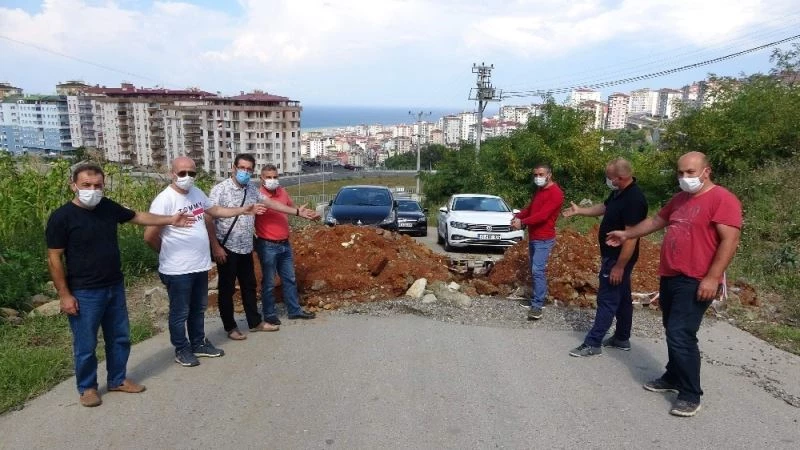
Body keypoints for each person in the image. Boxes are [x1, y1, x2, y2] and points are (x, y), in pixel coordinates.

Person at [46, 163, 196, 407]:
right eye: (86, 185)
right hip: (84, 291)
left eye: (97, 185)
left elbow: (137, 216)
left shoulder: (107, 207)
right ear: (73, 186)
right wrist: (64, 295)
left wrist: (171, 219)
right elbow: (54, 257)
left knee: (120, 337)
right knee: (86, 344)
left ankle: (117, 379)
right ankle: (87, 388)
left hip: (114, 285)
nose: (92, 190)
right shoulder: (62, 217)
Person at [606, 151, 742, 417]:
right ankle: (672, 376)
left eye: (690, 173)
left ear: (706, 171)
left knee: (681, 333)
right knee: (672, 328)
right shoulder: (681, 199)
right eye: (680, 173)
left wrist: (712, 278)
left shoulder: (722, 199)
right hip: (671, 275)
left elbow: (730, 240)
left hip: (696, 278)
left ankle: (691, 394)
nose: (684, 178)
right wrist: (627, 233)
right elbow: (657, 221)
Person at [144, 156, 267, 367]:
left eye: (191, 173)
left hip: (199, 265)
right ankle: (182, 349)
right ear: (172, 174)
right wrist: (167, 253)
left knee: (198, 308)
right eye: (182, 173)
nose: (187, 177)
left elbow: (215, 211)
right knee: (180, 311)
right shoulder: (165, 200)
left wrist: (242, 210)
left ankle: (199, 343)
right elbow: (149, 236)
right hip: (177, 269)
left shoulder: (196, 193)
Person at [207, 156, 319, 340]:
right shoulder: (220, 189)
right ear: (233, 168)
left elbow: (272, 204)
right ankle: (231, 327)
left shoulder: (251, 189)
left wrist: (298, 212)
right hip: (226, 246)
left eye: (249, 169)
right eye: (242, 167)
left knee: (249, 286)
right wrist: (215, 246)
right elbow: (209, 217)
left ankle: (255, 322)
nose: (245, 172)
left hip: (246, 246)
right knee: (227, 289)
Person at [562, 158, 648, 357]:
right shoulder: (619, 192)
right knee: (624, 297)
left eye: (610, 178)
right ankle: (621, 338)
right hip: (612, 255)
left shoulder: (634, 199)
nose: (607, 181)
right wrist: (580, 211)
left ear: (621, 177)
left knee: (607, 299)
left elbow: (631, 237)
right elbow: (604, 207)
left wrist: (619, 266)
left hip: (618, 258)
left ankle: (593, 343)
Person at [254, 164, 317, 326]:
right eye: (268, 177)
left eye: (275, 177)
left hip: (284, 243)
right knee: (269, 281)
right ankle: (269, 314)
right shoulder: (258, 195)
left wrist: (307, 214)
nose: (272, 180)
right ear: (261, 178)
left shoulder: (282, 192)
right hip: (267, 244)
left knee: (289, 278)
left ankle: (294, 311)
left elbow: (293, 209)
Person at [511, 163, 564, 320]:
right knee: (534, 270)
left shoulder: (556, 193)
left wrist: (523, 222)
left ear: (549, 175)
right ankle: (535, 299)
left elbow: (542, 216)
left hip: (544, 238)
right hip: (534, 237)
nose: (537, 178)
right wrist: (518, 216)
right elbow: (531, 209)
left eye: (540, 174)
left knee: (537, 270)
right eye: (535, 175)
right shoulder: (540, 190)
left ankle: (537, 305)